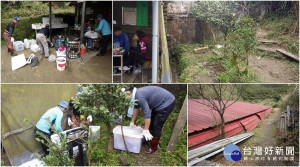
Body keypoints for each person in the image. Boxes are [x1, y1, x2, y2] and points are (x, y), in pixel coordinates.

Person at [125, 85, 176, 154]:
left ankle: (154, 147)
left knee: (157, 125)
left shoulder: (139, 96)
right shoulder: (135, 95)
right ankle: (148, 139)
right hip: (158, 103)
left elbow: (147, 114)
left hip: (167, 102)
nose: (126, 98)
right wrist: (132, 122)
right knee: (152, 122)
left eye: (126, 96)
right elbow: (136, 109)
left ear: (129, 93)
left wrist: (145, 130)